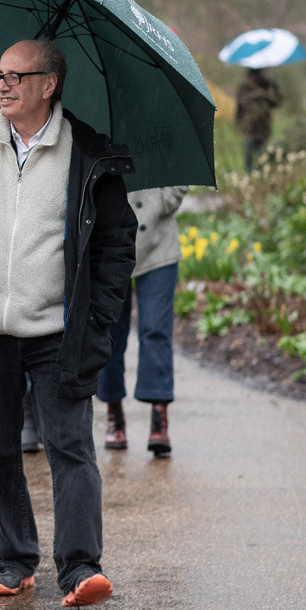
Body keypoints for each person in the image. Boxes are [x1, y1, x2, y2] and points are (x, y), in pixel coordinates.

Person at [0, 39, 136, 609]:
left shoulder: (88, 153)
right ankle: (15, 560)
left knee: (71, 449)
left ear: (50, 85)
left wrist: (101, 318)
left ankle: (80, 570)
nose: (4, 85)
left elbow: (117, 244)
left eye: (19, 76)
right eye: (0, 75)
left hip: (58, 334)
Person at [100, 185, 188, 456]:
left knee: (155, 330)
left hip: (158, 241)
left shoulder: (170, 138)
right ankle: (114, 411)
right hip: (112, 240)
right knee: (109, 331)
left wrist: (162, 201)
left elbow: (180, 171)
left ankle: (159, 417)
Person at [235, 67, 282, 171]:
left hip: (264, 127)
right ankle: (250, 176)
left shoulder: (268, 85)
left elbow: (277, 102)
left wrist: (264, 94)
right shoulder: (244, 87)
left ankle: (261, 176)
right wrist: (238, 123)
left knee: (262, 155)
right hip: (249, 127)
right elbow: (240, 105)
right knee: (249, 155)